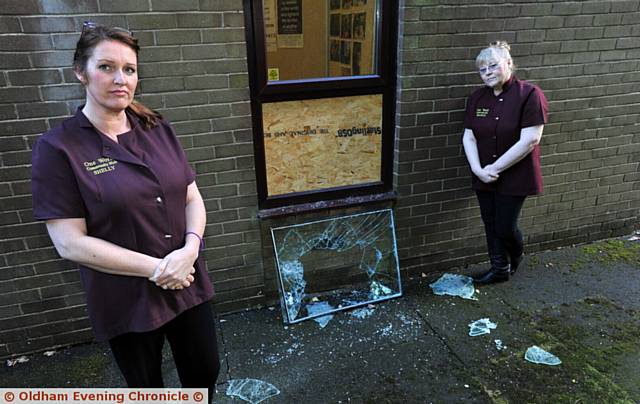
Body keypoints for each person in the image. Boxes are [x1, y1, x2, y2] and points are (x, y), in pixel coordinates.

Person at [31, 23, 220, 398]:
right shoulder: (58, 148)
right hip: (126, 295)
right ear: (80, 73)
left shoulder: (157, 127)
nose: (121, 79)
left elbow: (192, 198)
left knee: (204, 373)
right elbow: (70, 244)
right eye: (106, 67)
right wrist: (159, 269)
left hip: (187, 279)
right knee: (148, 388)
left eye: (129, 69)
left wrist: (190, 251)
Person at [462, 41, 548, 284]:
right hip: (483, 174)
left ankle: (516, 254)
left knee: (504, 227)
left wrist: (494, 168)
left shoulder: (530, 95)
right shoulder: (477, 98)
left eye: (492, 66)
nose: (487, 72)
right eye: (482, 69)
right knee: (490, 223)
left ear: (508, 64)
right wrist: (478, 170)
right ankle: (499, 269)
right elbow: (468, 136)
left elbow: (531, 139)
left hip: (515, 175)